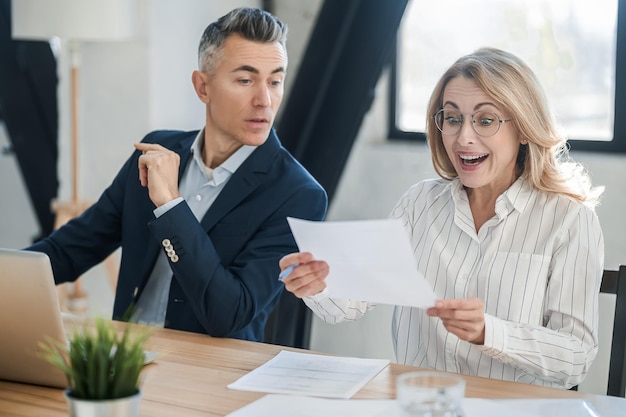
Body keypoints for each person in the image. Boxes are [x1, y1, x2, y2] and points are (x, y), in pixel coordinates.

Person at [280, 47, 604, 389]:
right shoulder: (420, 203)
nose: (464, 137)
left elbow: (575, 358)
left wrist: (489, 332)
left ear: (523, 129)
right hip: (418, 405)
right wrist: (316, 284)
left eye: (485, 120)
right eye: (452, 118)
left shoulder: (570, 220)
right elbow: (347, 305)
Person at [27, 7, 327, 342]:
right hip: (122, 363)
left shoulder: (298, 194)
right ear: (203, 87)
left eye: (275, 81)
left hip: (208, 378)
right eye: (245, 80)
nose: (264, 100)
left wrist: (171, 205)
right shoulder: (156, 151)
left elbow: (228, 314)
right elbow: (74, 248)